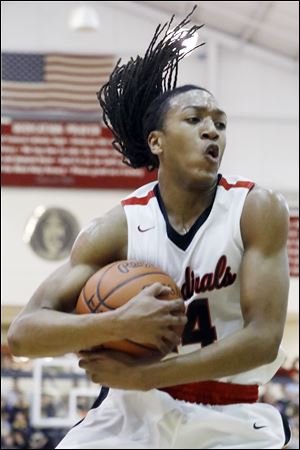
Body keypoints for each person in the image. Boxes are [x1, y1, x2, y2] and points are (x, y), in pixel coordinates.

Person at [8, 6, 291, 449]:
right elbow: (24, 333)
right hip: (131, 411)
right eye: (195, 119)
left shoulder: (254, 208)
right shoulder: (119, 226)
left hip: (231, 413)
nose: (212, 132)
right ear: (156, 141)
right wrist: (115, 323)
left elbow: (263, 340)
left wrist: (148, 375)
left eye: (220, 123)